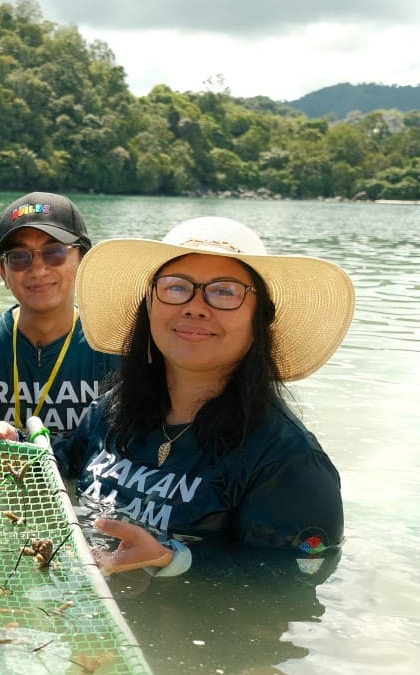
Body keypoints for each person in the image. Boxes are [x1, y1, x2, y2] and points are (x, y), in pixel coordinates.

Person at [42, 215, 355, 576]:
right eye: (176, 287)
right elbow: (69, 461)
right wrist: (12, 444)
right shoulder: (112, 410)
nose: (194, 306)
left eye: (224, 291)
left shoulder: (289, 462)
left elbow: (310, 560)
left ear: (260, 319)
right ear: (149, 305)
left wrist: (175, 560)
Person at [0, 191, 118, 475]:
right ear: (2, 271)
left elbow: (120, 452)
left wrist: (21, 441)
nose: (38, 269)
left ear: (83, 261)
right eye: (19, 257)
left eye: (55, 251)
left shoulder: (114, 350)